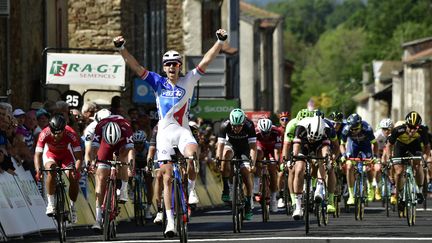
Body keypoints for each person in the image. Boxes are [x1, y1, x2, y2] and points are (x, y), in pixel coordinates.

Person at [113, 28, 228, 236]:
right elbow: (136, 66)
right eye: (168, 64)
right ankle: (170, 222)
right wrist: (121, 49)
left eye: (175, 63)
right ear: (164, 68)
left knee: (192, 154)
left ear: (179, 66)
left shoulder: (189, 80)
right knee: (166, 177)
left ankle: (191, 190)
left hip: (182, 131)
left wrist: (219, 42)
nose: (171, 67)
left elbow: (206, 61)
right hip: (164, 134)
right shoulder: (158, 82)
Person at [34, 114, 83, 224]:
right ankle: (51, 203)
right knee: (51, 170)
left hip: (66, 156)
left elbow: (79, 157)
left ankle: (72, 207)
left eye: (59, 133)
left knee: (73, 178)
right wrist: (38, 170)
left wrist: (77, 170)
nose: (56, 136)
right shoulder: (44, 133)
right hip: (51, 155)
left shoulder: (71, 133)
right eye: (53, 133)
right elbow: (37, 154)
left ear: (64, 130)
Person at [90, 114, 135, 231]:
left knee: (123, 162)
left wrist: (128, 164)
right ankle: (98, 219)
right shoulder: (99, 127)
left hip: (122, 145)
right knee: (100, 177)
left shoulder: (126, 128)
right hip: (105, 145)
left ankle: (124, 189)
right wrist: (93, 163)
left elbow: (130, 150)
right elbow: (94, 150)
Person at [383, 111, 431, 210]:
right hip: (400, 146)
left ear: (419, 126)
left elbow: (427, 147)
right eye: (410, 127)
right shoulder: (398, 130)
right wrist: (389, 158)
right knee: (399, 171)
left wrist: (425, 158)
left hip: (414, 145)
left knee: (418, 166)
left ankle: (419, 191)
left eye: (415, 128)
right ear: (406, 124)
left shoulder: (422, 130)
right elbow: (389, 145)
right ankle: (400, 194)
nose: (412, 130)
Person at [291, 116, 335, 219]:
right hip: (304, 144)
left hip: (319, 145)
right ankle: (298, 207)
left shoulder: (327, 129)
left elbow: (325, 149)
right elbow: (296, 146)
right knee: (299, 169)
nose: (312, 140)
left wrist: (326, 159)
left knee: (322, 160)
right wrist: (293, 158)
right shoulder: (301, 126)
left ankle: (319, 189)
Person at [216, 108, 257, 220]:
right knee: (225, 156)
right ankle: (226, 188)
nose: (236, 128)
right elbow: (220, 146)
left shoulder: (249, 125)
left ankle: (248, 204)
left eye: (239, 126)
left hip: (245, 148)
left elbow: (253, 148)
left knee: (246, 173)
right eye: (234, 126)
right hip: (231, 146)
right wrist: (218, 160)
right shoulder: (224, 125)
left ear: (243, 123)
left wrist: (252, 163)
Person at [341, 113, 378, 205]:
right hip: (353, 145)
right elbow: (341, 144)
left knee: (369, 166)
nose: (354, 131)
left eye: (356, 129)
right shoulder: (346, 129)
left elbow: (375, 144)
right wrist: (344, 154)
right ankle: (351, 195)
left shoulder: (367, 128)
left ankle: (370, 187)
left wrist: (375, 156)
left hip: (365, 145)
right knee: (349, 166)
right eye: (352, 129)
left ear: (360, 124)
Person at [255, 118, 282, 213]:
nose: (265, 135)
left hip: (272, 149)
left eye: (267, 133)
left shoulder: (277, 132)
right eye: (263, 133)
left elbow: (277, 151)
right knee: (257, 158)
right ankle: (256, 183)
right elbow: (253, 148)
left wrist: (277, 161)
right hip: (260, 147)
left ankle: (274, 198)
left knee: (273, 170)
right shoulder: (255, 132)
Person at [133, 129, 153, 220]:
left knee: (149, 182)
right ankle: (131, 190)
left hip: (146, 163)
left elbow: (152, 159)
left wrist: (149, 168)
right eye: (136, 143)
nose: (138, 145)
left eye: (140, 143)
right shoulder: (132, 147)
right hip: (136, 163)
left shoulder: (148, 146)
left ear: (144, 142)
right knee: (129, 173)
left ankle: (148, 208)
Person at [373, 118, 394, 201]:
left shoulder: (393, 135)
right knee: (377, 168)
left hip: (388, 151)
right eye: (384, 129)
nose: (386, 131)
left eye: (388, 129)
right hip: (378, 151)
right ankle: (377, 188)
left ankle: (393, 187)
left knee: (392, 166)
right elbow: (373, 146)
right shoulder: (377, 134)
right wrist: (376, 158)